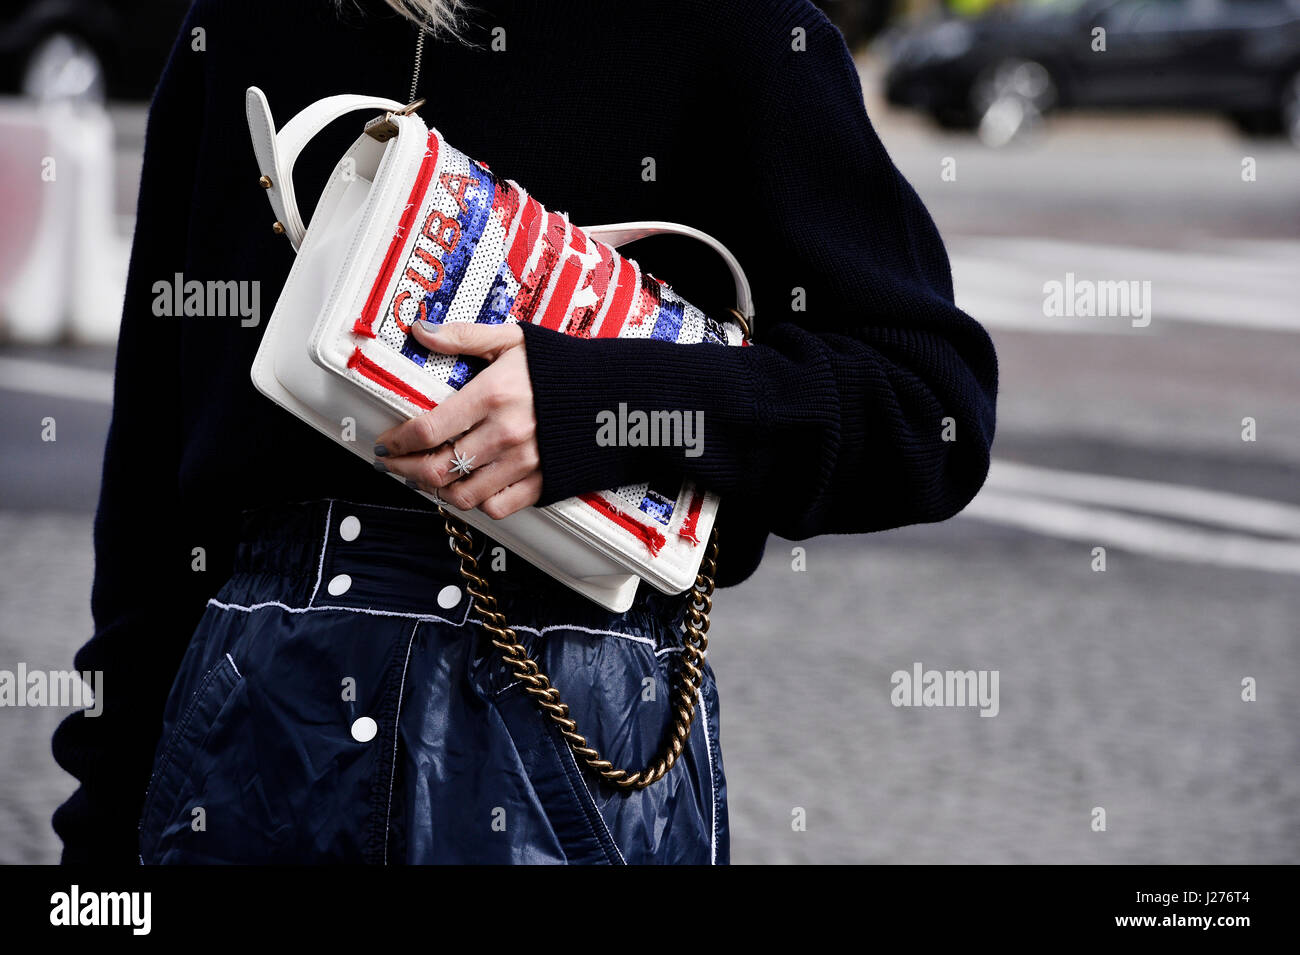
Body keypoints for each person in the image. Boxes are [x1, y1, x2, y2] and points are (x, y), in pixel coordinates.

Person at [51, 0, 998, 864]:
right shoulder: (242, 22)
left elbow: (929, 403)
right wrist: (98, 834)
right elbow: (149, 491)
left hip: (563, 723)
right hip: (243, 740)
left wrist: (608, 409)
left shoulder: (730, 28)